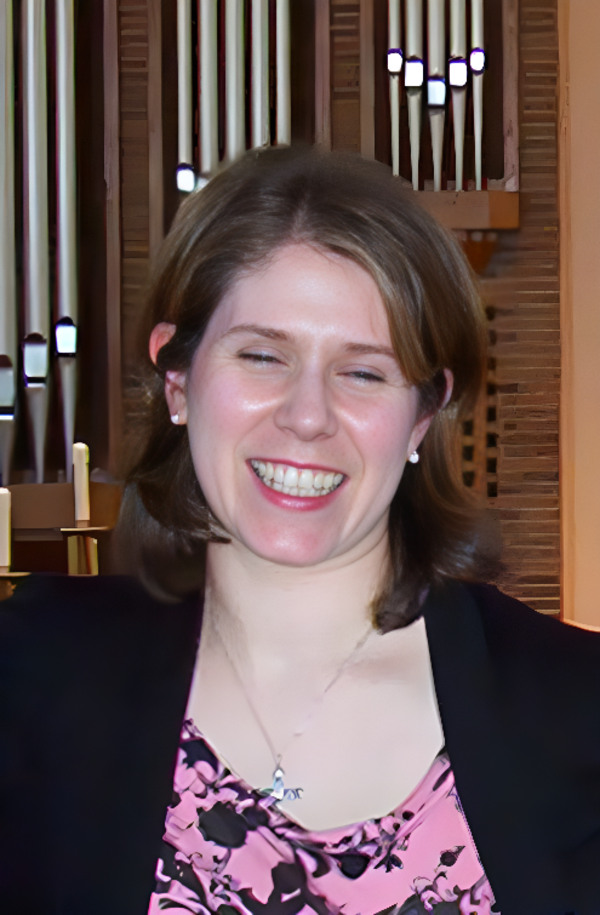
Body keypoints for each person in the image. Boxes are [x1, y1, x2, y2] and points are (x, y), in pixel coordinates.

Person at [1, 146, 599, 915]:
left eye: (363, 372)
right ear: (177, 379)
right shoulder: (32, 675)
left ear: (423, 414)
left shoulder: (577, 707)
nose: (307, 415)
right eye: (262, 355)